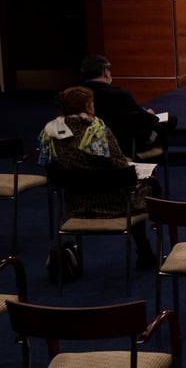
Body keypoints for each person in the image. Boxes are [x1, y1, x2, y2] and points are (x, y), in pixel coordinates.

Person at [37, 86, 159, 270]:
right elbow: (120, 167)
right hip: (112, 205)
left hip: (76, 205)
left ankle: (145, 252)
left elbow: (51, 168)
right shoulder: (97, 131)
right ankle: (144, 252)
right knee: (148, 185)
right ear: (87, 106)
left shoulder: (50, 134)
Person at [79, 54, 177, 156]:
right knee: (169, 119)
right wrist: (150, 115)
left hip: (85, 142)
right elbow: (142, 118)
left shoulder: (74, 95)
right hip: (123, 141)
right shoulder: (119, 94)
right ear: (105, 72)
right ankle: (146, 149)